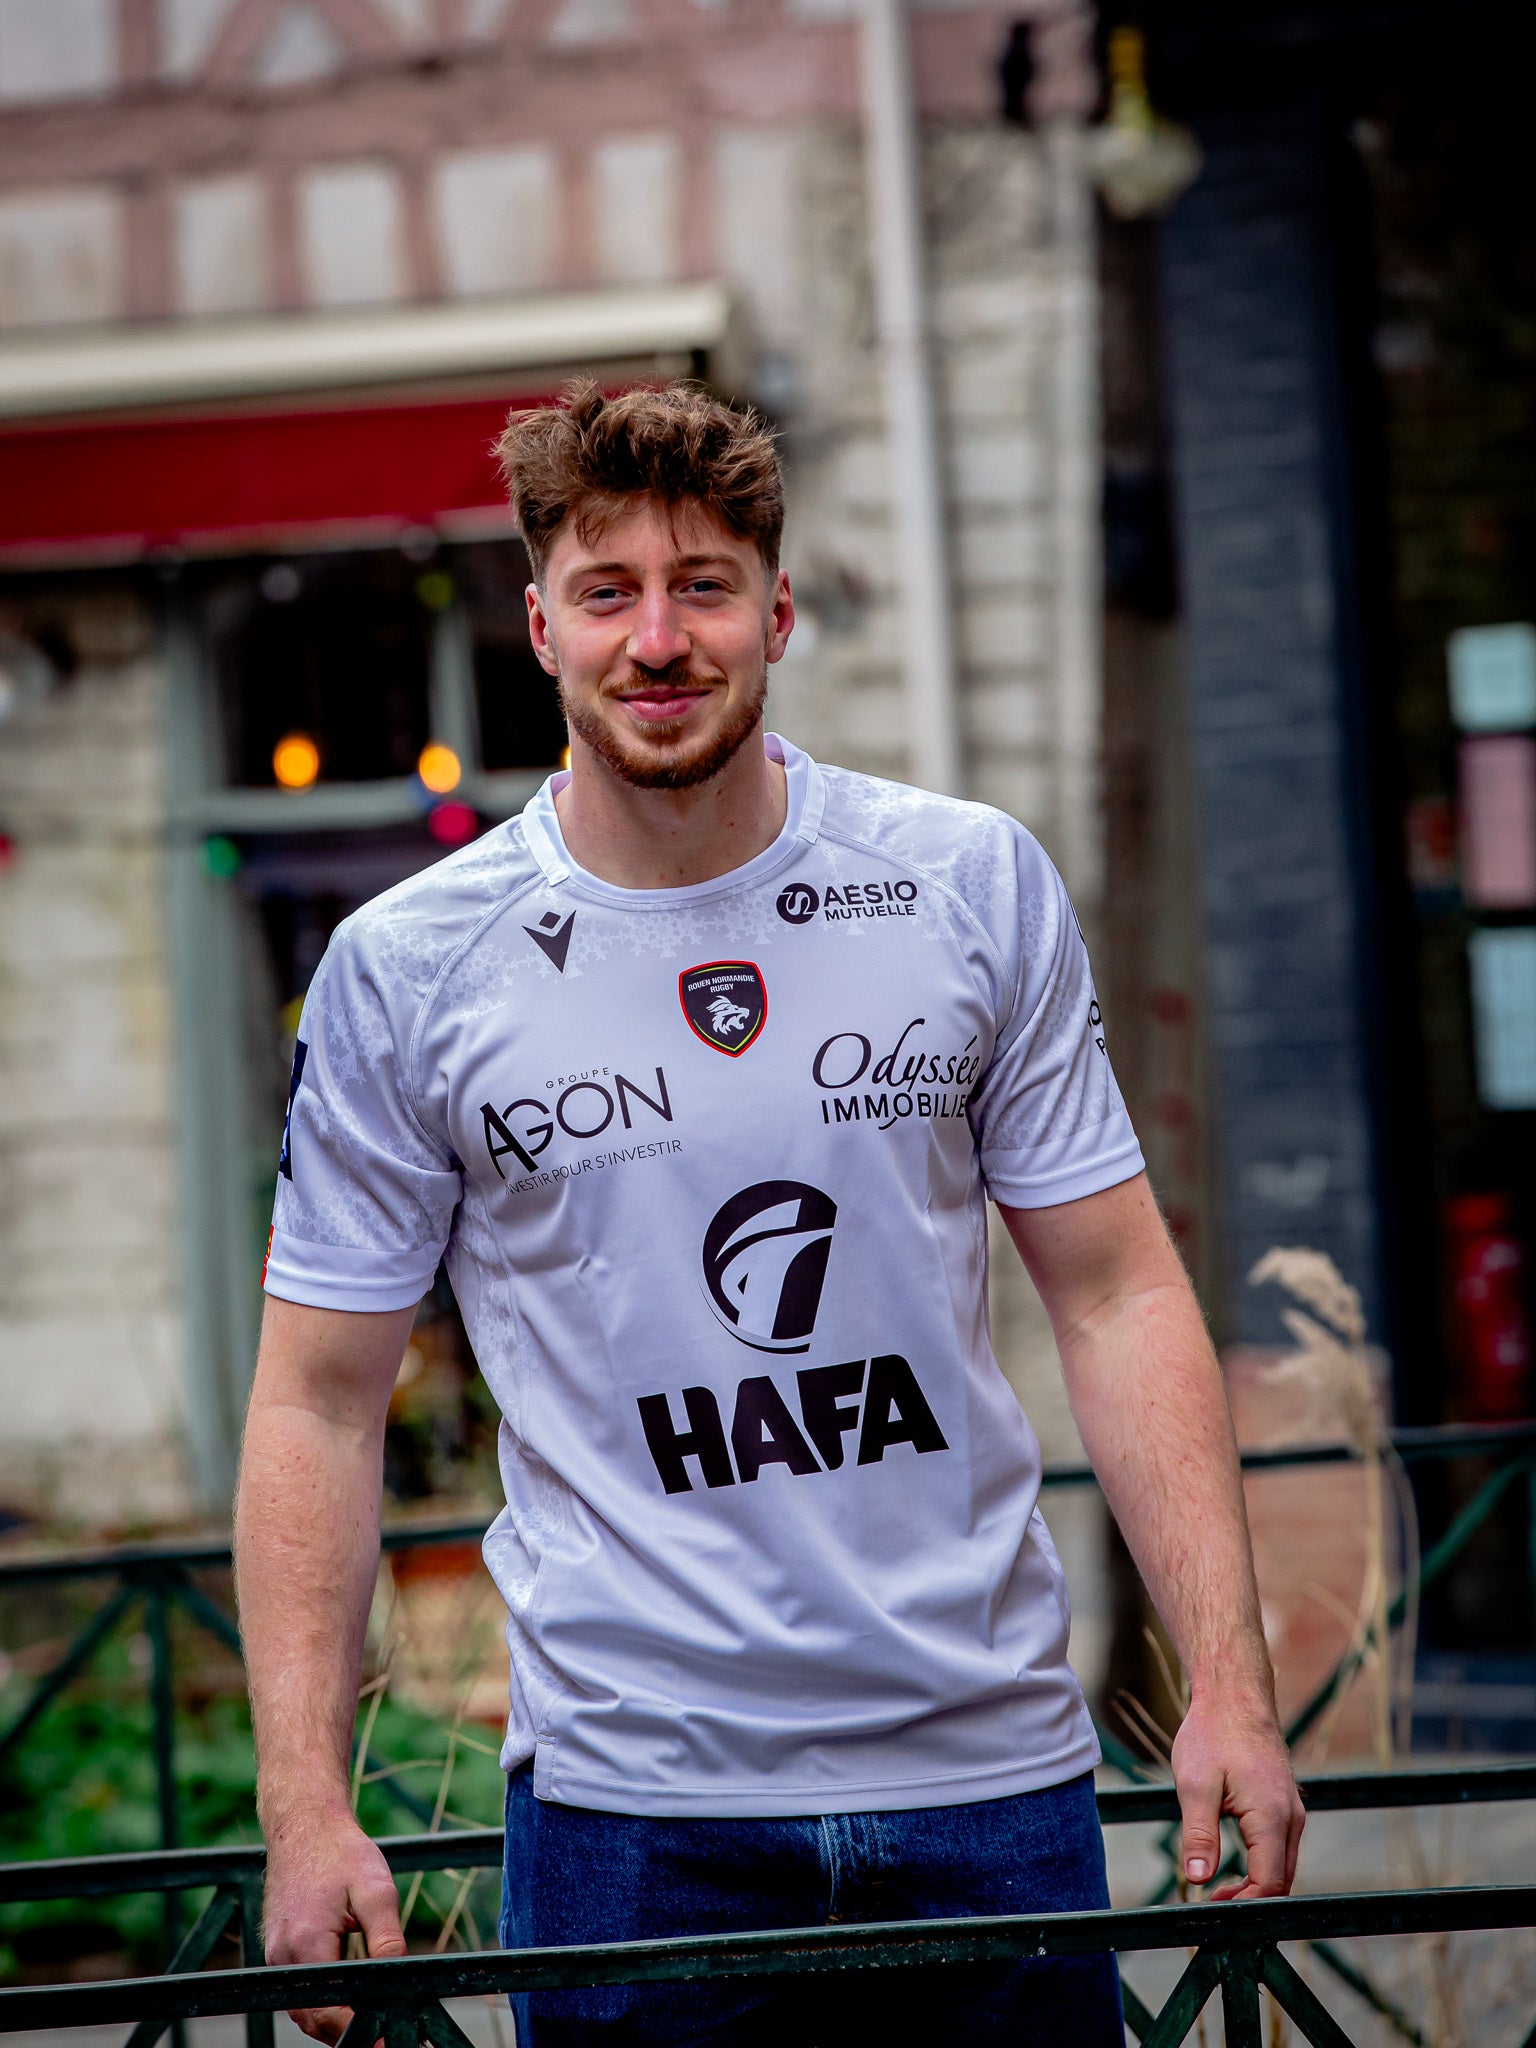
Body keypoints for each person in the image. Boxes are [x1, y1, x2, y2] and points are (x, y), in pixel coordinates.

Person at [236, 381, 1303, 2047]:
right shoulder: (411, 967)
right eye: (608, 594)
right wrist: (305, 1809)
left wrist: (1227, 1686)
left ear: (779, 610)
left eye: (705, 585)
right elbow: (316, 1397)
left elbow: (1115, 1294)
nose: (659, 639)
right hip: (635, 1815)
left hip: (990, 1781)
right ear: (540, 628)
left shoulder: (967, 884)